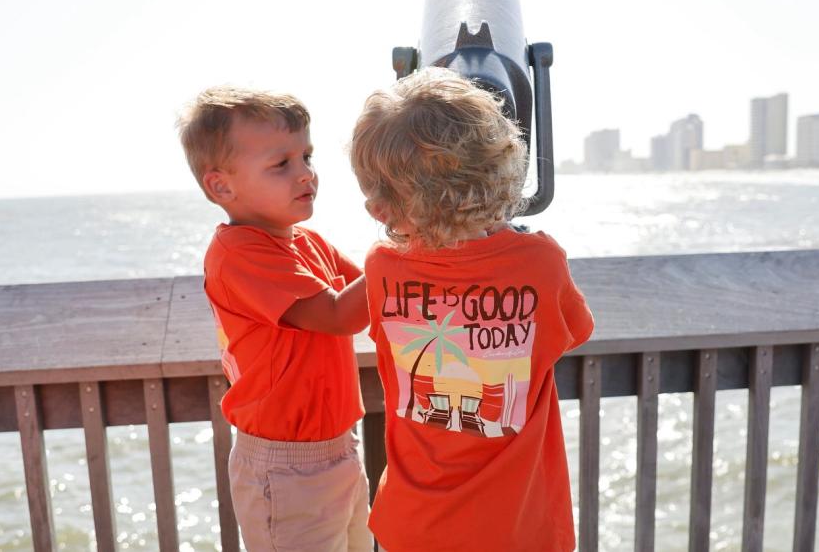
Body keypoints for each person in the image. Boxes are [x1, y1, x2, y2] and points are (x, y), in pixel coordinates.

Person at [350, 67, 595, 552]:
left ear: (383, 207)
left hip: (415, 525)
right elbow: (575, 331)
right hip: (517, 527)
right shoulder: (540, 261)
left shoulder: (381, 268)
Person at [177, 86, 372, 552]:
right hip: (285, 467)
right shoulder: (238, 252)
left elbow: (372, 300)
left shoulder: (308, 242)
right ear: (221, 185)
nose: (306, 173)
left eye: (307, 156)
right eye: (281, 164)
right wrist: (414, 236)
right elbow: (339, 313)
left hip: (340, 447)